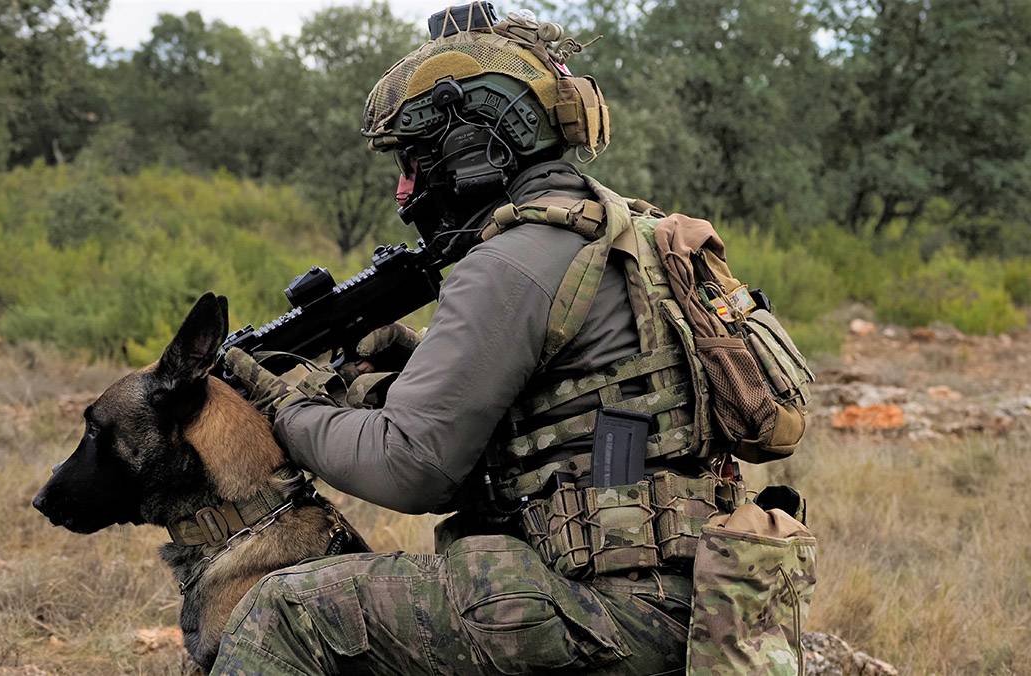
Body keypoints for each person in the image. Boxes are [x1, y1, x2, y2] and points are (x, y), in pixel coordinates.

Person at [213, 4, 783, 673]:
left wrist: (287, 412)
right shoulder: (629, 232)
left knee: (283, 610)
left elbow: (413, 468)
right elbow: (574, 420)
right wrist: (417, 366)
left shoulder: (510, 262)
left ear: (472, 149)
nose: (404, 189)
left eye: (413, 161)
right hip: (701, 610)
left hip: (613, 617)